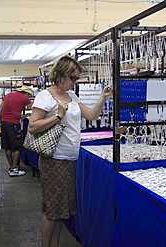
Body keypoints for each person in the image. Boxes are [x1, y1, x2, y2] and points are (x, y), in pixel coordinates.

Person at [27, 55, 113, 247]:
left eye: (77, 78)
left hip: (70, 158)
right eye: (72, 78)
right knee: (53, 211)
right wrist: (58, 115)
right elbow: (32, 127)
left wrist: (103, 97)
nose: (75, 82)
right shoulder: (45, 96)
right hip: (54, 159)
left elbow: (91, 115)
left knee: (61, 211)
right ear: (61, 75)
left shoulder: (71, 96)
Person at [0, 85, 34, 177]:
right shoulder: (24, 98)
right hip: (14, 124)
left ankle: (12, 166)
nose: (28, 97)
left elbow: (0, 109)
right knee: (17, 147)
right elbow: (34, 108)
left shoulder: (8, 95)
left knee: (7, 146)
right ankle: (14, 169)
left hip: (4, 123)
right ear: (26, 93)